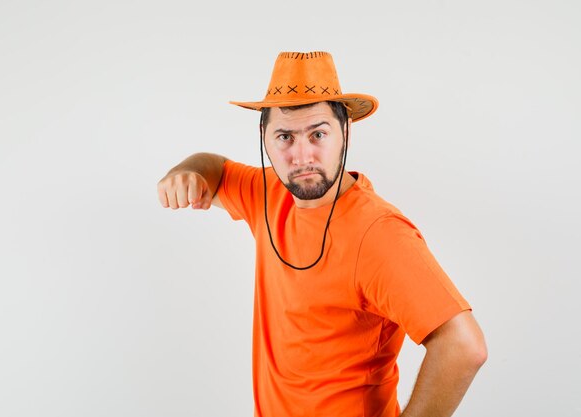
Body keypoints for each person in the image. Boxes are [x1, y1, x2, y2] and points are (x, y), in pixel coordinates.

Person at [157, 51, 487, 417]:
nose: (302, 157)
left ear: (344, 132)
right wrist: (187, 171)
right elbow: (216, 167)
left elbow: (463, 345)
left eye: (318, 134)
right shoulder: (269, 194)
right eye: (285, 136)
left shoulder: (378, 234)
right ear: (264, 139)